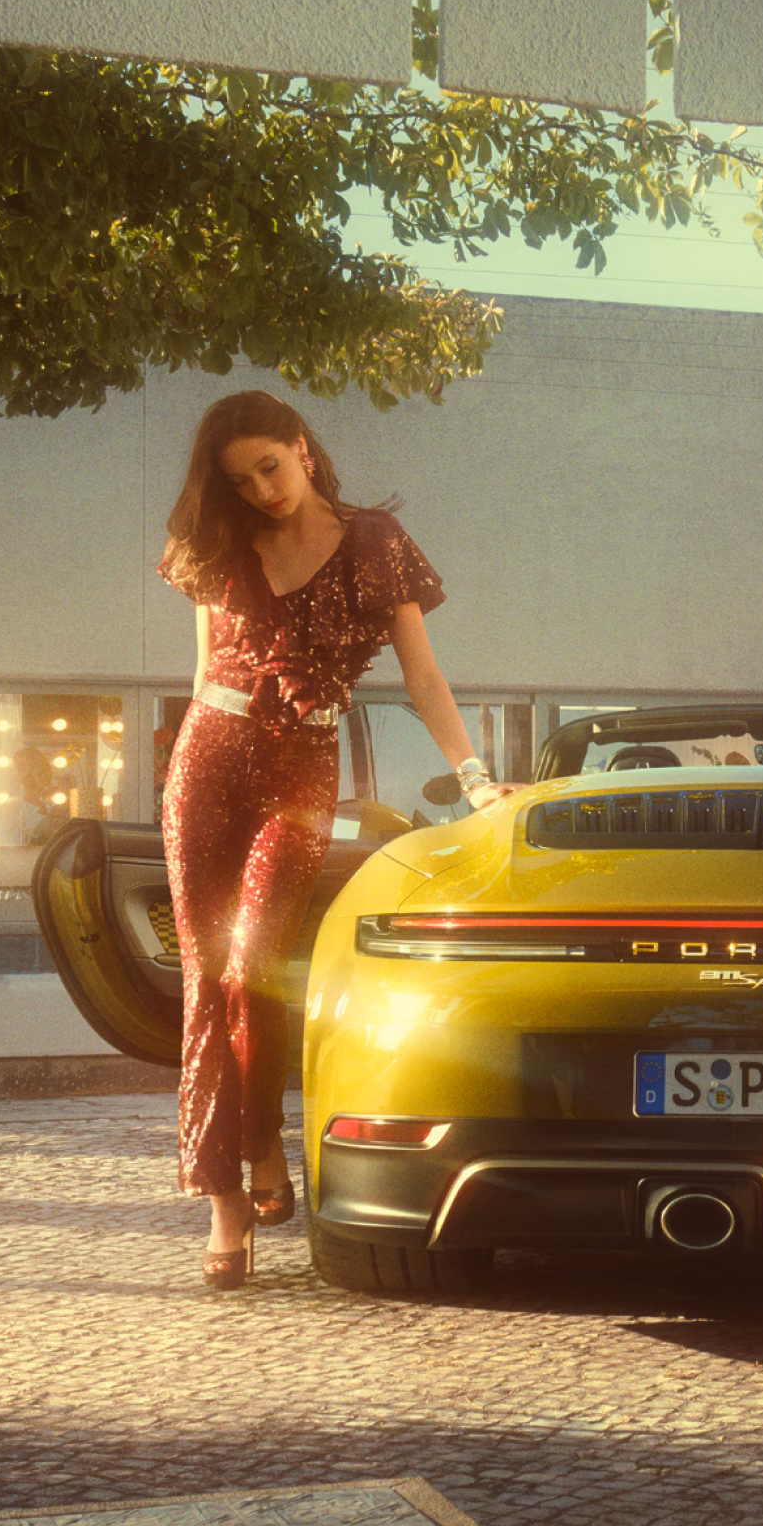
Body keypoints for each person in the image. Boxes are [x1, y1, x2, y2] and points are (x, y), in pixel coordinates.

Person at [157, 390, 517, 1288]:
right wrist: (185, 762)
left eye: (270, 467)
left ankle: (263, 1144)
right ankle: (227, 1200)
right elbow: (203, 673)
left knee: (252, 965)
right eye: (241, 481)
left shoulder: (375, 546)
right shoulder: (219, 546)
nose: (262, 490)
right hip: (208, 756)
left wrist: (475, 780)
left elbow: (423, 677)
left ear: (304, 450)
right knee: (207, 975)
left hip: (301, 767)